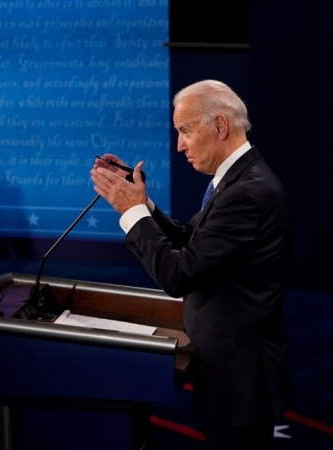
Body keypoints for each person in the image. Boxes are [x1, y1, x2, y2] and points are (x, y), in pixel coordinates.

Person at [90, 79, 292, 450]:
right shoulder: (237, 179)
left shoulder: (247, 192)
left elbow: (179, 273)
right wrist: (144, 206)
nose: (180, 144)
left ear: (219, 126)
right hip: (230, 372)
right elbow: (193, 241)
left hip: (240, 379)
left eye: (185, 131)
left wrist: (132, 213)